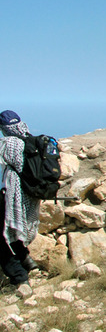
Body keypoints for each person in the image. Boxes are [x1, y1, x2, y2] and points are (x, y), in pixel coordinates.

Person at [0, 111, 40, 295]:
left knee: (4, 236)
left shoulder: (9, 143)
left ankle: (19, 278)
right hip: (31, 198)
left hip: (14, 198)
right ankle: (27, 262)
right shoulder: (32, 141)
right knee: (12, 232)